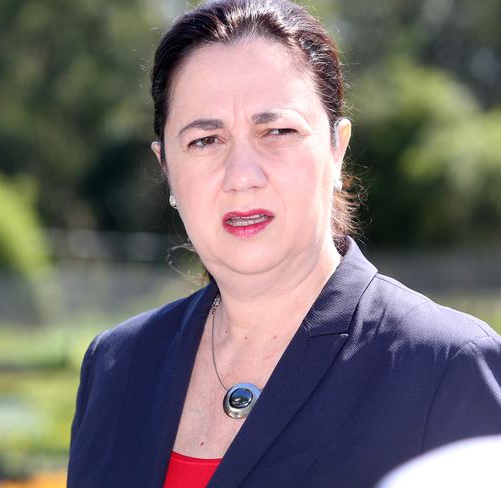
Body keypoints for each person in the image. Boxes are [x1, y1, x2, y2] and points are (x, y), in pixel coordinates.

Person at [67, 1, 501, 487]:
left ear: (337, 150)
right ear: (165, 165)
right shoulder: (115, 366)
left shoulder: (444, 367)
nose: (242, 177)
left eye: (277, 131)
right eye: (205, 141)